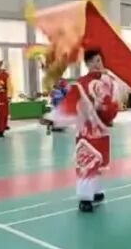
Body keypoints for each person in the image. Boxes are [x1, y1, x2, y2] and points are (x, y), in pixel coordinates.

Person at [49, 49, 119, 213]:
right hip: (86, 129)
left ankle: (96, 191)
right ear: (87, 64)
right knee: (87, 163)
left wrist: (107, 111)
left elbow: (114, 102)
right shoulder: (80, 84)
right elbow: (69, 104)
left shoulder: (108, 82)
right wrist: (54, 117)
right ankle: (85, 198)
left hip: (101, 129)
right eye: (93, 61)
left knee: (99, 162)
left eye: (99, 60)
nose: (97, 64)